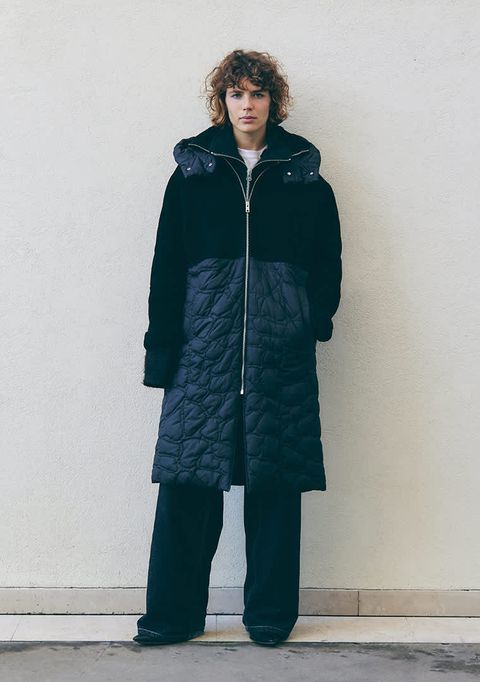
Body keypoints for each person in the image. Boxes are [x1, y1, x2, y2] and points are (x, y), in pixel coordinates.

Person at [133, 49, 342, 647]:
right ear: (221, 101)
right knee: (188, 483)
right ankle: (172, 617)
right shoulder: (192, 177)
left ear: (273, 101)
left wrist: (309, 321)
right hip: (202, 353)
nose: (246, 105)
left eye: (257, 93)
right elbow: (166, 268)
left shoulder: (304, 178)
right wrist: (161, 348)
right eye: (236, 94)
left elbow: (327, 262)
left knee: (275, 485)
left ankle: (270, 616)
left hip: (279, 356)